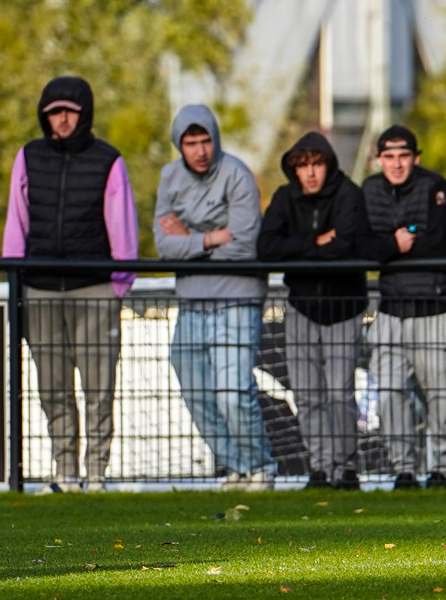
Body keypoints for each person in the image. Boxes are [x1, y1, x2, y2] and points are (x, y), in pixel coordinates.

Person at [3, 76, 139, 494]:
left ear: (84, 114)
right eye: (54, 112)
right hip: (40, 291)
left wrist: (117, 285)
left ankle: (95, 474)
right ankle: (66, 472)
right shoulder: (28, 157)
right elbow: (16, 223)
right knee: (52, 387)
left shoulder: (108, 160)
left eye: (70, 111)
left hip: (94, 289)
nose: (62, 119)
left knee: (99, 387)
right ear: (45, 116)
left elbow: (124, 229)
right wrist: (17, 282)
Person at [155, 104, 276, 492]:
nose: (200, 150)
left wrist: (186, 237)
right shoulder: (168, 177)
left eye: (205, 140)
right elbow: (161, 244)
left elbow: (243, 245)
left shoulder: (237, 174)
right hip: (191, 301)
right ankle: (235, 468)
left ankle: (260, 469)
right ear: (180, 145)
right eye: (191, 143)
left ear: (215, 139)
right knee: (196, 392)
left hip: (237, 299)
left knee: (232, 391)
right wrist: (210, 237)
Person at [257, 132, 367, 490]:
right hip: (301, 309)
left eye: (316, 163)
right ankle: (320, 468)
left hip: (344, 308)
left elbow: (349, 245)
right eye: (302, 165)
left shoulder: (349, 193)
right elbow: (266, 249)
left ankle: (346, 469)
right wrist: (316, 242)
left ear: (328, 164)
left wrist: (299, 251)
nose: (310, 172)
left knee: (339, 393)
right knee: (306, 395)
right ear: (293, 168)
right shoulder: (285, 197)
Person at [358, 125, 446, 490]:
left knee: (441, 398)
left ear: (415, 157)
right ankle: (403, 469)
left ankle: (440, 470)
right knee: (387, 393)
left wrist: (387, 243)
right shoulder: (368, 189)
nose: (397, 164)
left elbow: (439, 241)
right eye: (389, 156)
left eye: (404, 156)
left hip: (435, 309)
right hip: (389, 309)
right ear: (378, 158)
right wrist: (396, 242)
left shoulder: (436, 185)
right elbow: (360, 245)